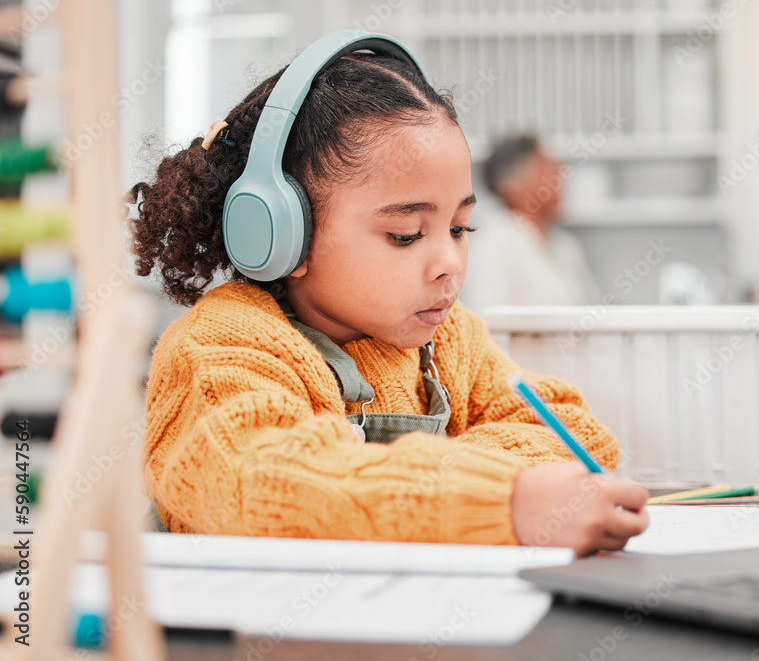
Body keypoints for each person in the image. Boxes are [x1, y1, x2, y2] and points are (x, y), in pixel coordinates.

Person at [126, 34, 648, 557]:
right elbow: (270, 483)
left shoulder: (449, 341)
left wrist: (465, 486)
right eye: (406, 235)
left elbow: (576, 435)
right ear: (281, 234)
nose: (449, 262)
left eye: (461, 228)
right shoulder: (224, 348)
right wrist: (500, 499)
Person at [460, 135, 601, 313]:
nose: (560, 180)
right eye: (547, 171)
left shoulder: (564, 245)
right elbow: (485, 323)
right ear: (511, 186)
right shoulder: (494, 243)